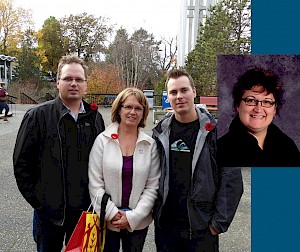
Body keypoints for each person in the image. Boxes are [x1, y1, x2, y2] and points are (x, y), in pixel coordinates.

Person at [13, 54, 105, 251]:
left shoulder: (95, 119)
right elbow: (21, 163)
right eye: (68, 79)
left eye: (79, 79)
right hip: (49, 215)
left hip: (84, 213)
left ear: (86, 84)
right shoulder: (37, 116)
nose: (73, 84)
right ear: (57, 82)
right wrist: (37, 202)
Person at [152, 69, 243, 252]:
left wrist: (217, 224)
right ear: (168, 97)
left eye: (184, 90)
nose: (179, 96)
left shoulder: (218, 133)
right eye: (173, 92)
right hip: (166, 231)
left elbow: (231, 181)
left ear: (194, 92)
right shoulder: (159, 133)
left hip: (202, 231)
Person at [88, 87, 160, 252]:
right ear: (118, 109)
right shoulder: (102, 141)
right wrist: (112, 213)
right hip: (107, 221)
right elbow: (95, 184)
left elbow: (152, 187)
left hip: (137, 222)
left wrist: (132, 217)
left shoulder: (150, 145)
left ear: (143, 113)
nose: (132, 112)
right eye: (128, 107)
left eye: (138, 108)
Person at [218, 67, 300, 167]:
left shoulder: (288, 147)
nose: (258, 109)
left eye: (267, 102)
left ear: (274, 109)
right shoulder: (220, 150)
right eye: (251, 100)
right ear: (238, 106)